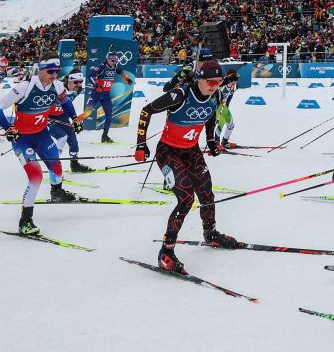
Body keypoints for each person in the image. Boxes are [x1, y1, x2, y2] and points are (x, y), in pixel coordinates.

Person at [135, 59, 240, 275]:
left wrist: (210, 141)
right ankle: (166, 251)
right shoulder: (180, 95)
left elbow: (210, 116)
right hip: (168, 152)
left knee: (206, 192)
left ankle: (210, 233)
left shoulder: (215, 95)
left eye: (219, 81)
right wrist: (141, 144)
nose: (215, 85)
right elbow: (146, 111)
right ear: (200, 79)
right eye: (210, 81)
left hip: (191, 152)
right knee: (186, 199)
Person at [0, 58, 77, 235]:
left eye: (57, 71)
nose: (54, 75)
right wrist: (8, 128)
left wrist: (74, 118)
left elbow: (66, 103)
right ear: (41, 69)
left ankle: (57, 193)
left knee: (56, 167)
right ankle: (25, 221)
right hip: (22, 139)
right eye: (50, 71)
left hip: (42, 135)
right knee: (36, 176)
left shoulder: (57, 86)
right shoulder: (25, 86)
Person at [86, 51, 135, 143]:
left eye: (116, 61)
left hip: (106, 95)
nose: (114, 62)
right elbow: (90, 76)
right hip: (96, 94)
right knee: (87, 112)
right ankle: (74, 127)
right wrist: (96, 86)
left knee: (109, 115)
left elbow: (121, 73)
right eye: (112, 60)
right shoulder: (102, 67)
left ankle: (105, 136)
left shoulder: (115, 66)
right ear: (107, 59)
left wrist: (128, 80)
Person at [48, 72, 91, 173]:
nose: (78, 85)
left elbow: (68, 105)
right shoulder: (57, 88)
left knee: (73, 140)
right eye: (76, 82)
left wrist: (75, 120)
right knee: (62, 137)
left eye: (80, 82)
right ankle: (54, 167)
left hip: (62, 116)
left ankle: (74, 164)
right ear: (69, 80)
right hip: (48, 117)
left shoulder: (78, 90)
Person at [212, 68, 241, 150]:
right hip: (216, 106)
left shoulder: (234, 86)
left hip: (224, 107)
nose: (235, 81)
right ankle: (216, 143)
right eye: (234, 79)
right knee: (221, 123)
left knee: (231, 124)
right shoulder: (222, 84)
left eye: (236, 79)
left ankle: (225, 142)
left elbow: (230, 97)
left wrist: (226, 106)